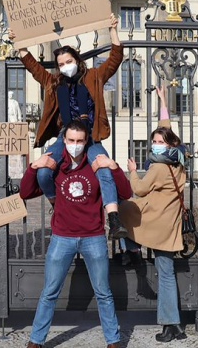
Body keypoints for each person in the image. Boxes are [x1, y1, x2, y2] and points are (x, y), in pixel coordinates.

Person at [9, 14, 128, 240]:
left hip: (90, 136)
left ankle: (113, 221)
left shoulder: (93, 76)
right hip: (65, 135)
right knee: (43, 171)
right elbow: (33, 67)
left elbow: (114, 59)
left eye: (69, 62)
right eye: (61, 64)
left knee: (104, 169)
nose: (65, 67)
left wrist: (112, 29)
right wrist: (19, 44)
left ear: (78, 61)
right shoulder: (54, 83)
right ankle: (56, 203)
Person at [20, 120, 132, 348]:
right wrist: (34, 166)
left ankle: (113, 341)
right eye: (71, 140)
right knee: (49, 292)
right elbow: (25, 191)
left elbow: (125, 192)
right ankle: (36, 340)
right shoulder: (56, 167)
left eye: (80, 141)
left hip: (93, 237)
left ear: (86, 141)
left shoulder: (96, 166)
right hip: (62, 237)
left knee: (103, 292)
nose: (75, 145)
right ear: (64, 141)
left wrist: (113, 166)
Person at [118, 85, 188, 343]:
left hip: (154, 225)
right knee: (167, 274)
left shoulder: (158, 167)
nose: (156, 145)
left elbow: (138, 189)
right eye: (154, 142)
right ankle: (175, 326)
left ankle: (132, 250)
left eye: (160, 142)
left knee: (120, 209)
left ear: (169, 145)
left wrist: (133, 170)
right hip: (170, 227)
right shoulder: (179, 160)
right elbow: (167, 129)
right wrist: (162, 101)